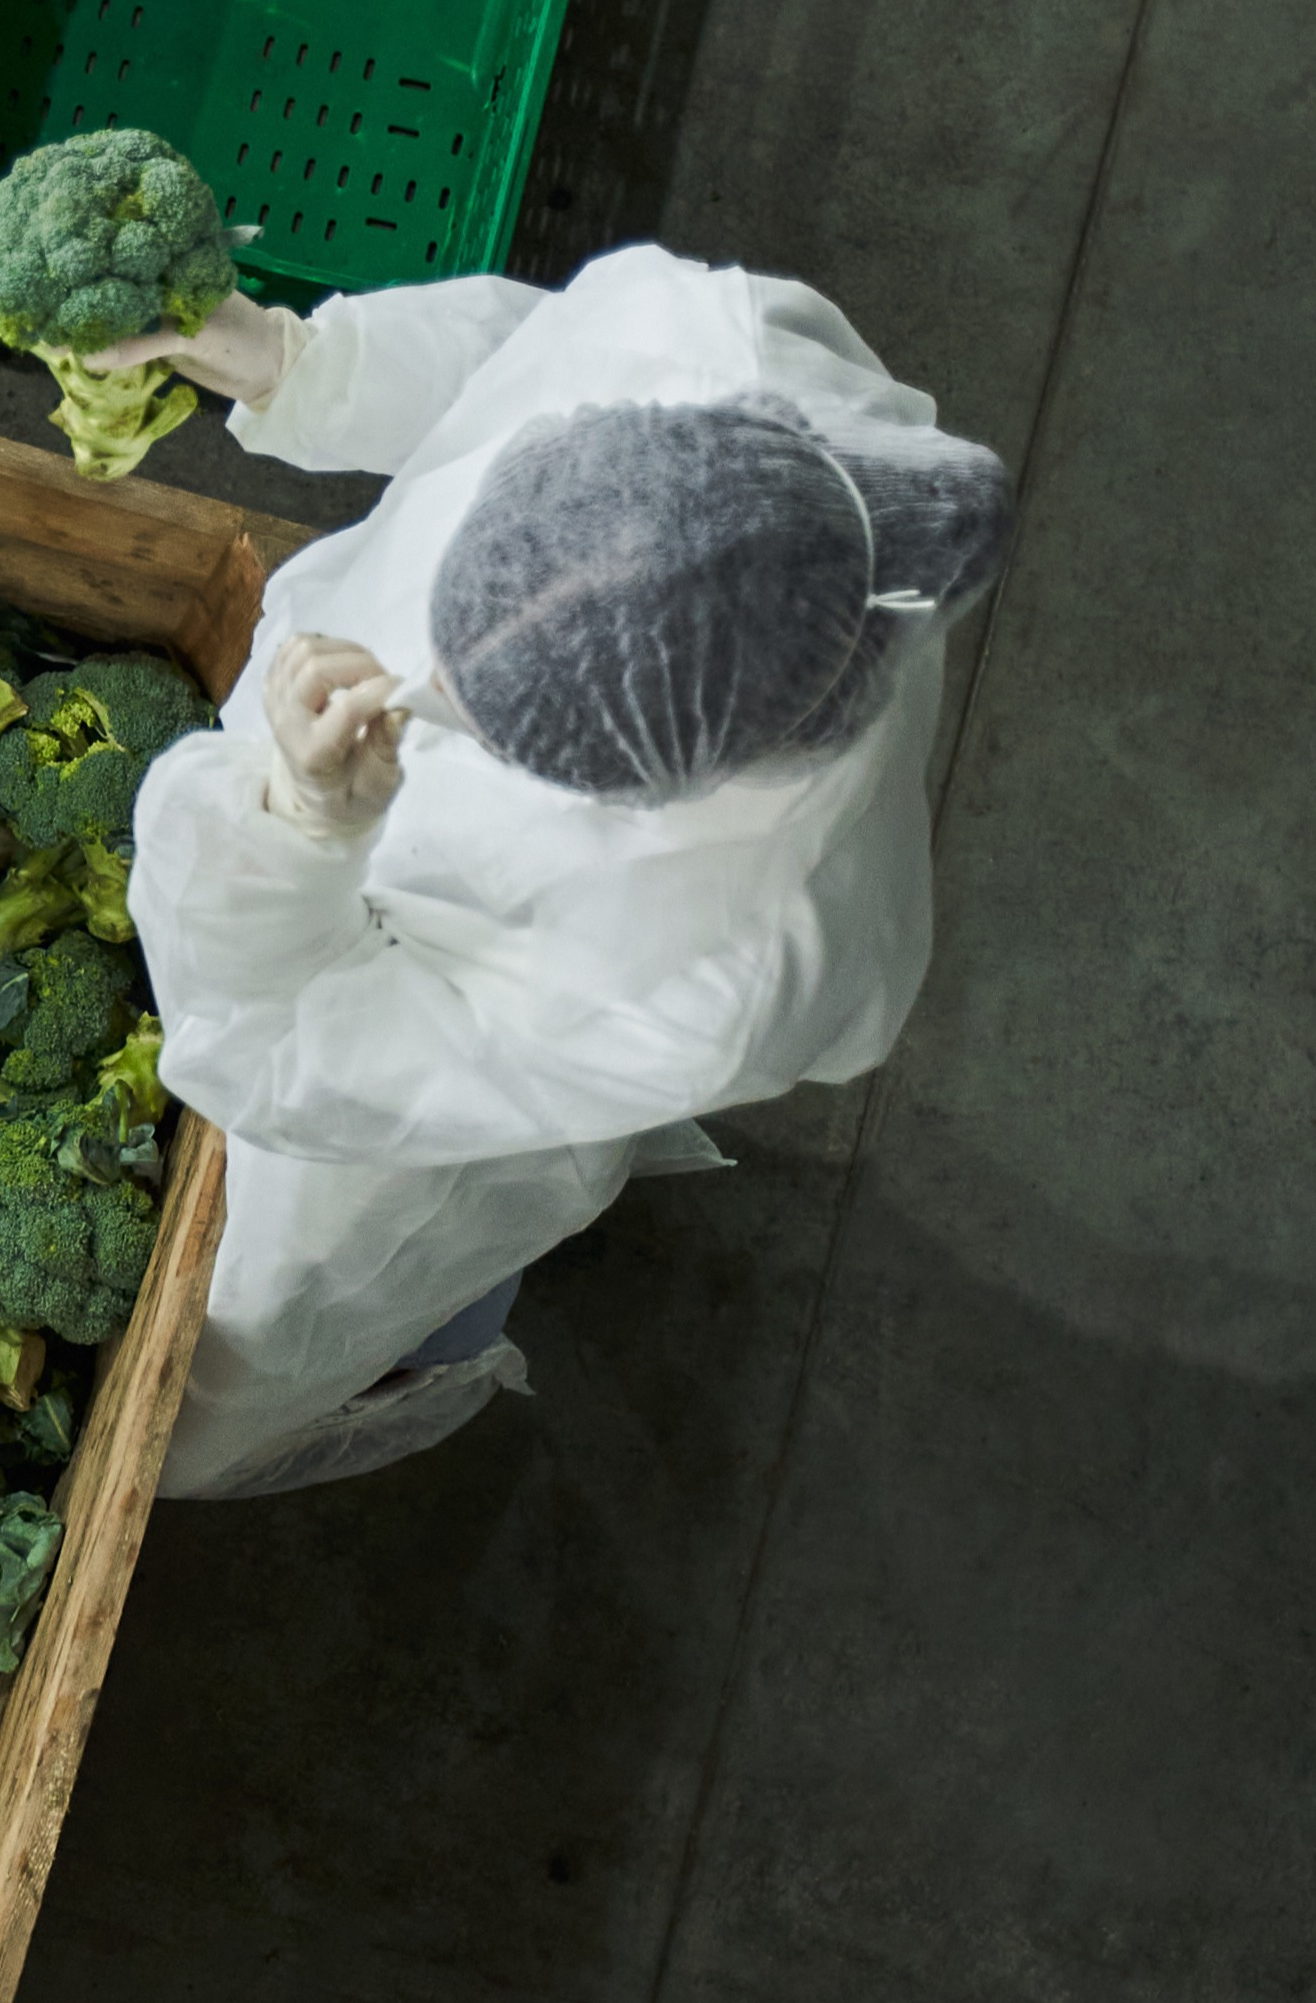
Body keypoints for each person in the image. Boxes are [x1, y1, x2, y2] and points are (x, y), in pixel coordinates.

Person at [93, 246, 1014, 1497]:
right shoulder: (717, 344)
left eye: (477, 725)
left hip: (414, 1131)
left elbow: (294, 1055)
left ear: (646, 785)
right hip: (344, 956)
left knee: (284, 1323)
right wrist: (306, 365)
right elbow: (507, 358)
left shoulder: (714, 962)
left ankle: (434, 1351)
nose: (413, 687)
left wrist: (293, 837)